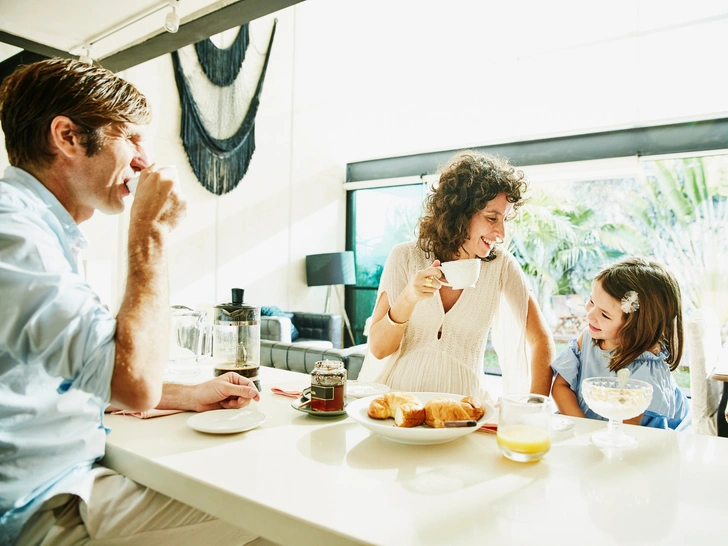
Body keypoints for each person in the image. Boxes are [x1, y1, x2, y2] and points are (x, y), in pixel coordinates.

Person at [0, 58, 273, 545]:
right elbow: (133, 384)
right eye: (132, 137)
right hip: (38, 508)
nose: (145, 160)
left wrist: (187, 395)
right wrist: (151, 234)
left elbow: (80, 368)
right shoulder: (15, 234)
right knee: (276, 511)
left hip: (58, 485)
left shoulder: (37, 228)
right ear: (67, 136)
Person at [364, 150, 555, 400]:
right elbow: (378, 349)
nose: (501, 233)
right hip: (397, 406)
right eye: (491, 217)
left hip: (464, 414)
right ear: (459, 212)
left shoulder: (501, 266)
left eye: (505, 219)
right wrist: (408, 298)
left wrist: (534, 409)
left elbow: (540, 339)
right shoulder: (405, 257)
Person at [551, 257, 690, 429]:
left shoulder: (646, 363)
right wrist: (582, 428)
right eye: (592, 301)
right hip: (588, 427)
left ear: (637, 326)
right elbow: (560, 387)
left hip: (639, 437)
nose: (590, 315)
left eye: (605, 315)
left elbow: (627, 428)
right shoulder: (587, 338)